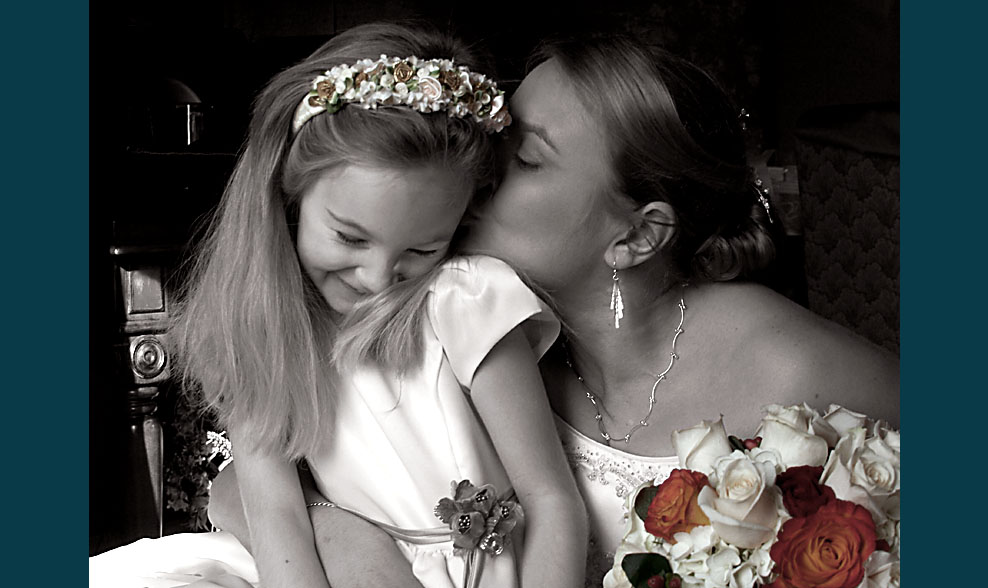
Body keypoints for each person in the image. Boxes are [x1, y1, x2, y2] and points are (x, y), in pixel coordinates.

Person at [205, 32, 900, 588]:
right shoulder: (442, 300)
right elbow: (254, 466)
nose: (480, 166)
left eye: (524, 157)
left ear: (635, 235)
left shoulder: (781, 361)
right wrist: (339, 530)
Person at [170, 21, 587, 588]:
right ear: (290, 194)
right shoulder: (260, 328)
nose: (378, 278)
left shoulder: (465, 302)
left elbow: (552, 500)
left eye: (422, 248)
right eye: (349, 237)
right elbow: (279, 521)